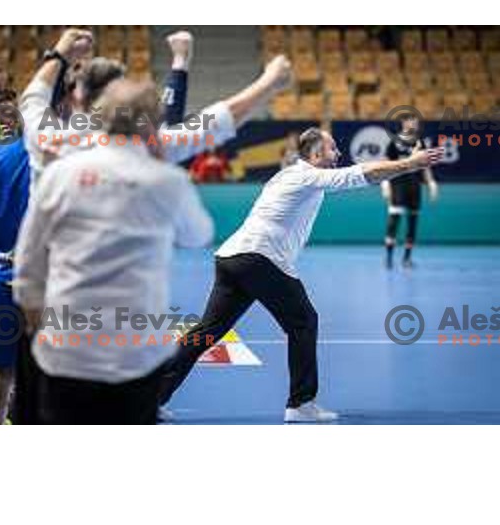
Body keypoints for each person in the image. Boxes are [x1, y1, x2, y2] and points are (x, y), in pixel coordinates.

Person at [159, 127, 445, 423]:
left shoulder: (290, 175)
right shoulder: (306, 175)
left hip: (232, 257)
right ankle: (301, 403)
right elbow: (362, 174)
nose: (338, 154)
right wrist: (411, 163)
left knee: (207, 332)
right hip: (259, 257)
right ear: (317, 153)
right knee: (304, 321)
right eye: (333, 149)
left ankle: (151, 398)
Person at [13, 78, 214, 424]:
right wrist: (162, 162)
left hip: (65, 353)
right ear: (151, 124)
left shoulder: (60, 173)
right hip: (136, 358)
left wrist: (39, 328)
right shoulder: (166, 181)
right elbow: (198, 235)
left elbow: (28, 265)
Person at [18, 29, 292, 183]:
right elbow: (211, 123)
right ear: (122, 97)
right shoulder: (142, 149)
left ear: (76, 96)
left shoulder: (47, 138)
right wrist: (269, 82)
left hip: (57, 281)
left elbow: (32, 100)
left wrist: (59, 55)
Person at [382, 114, 439, 269]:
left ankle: (407, 258)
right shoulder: (394, 142)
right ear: (404, 123)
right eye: (412, 121)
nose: (415, 124)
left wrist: (431, 183)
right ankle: (388, 257)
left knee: (413, 221)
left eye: (417, 121)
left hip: (414, 186)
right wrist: (385, 184)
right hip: (398, 185)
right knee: (394, 220)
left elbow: (425, 166)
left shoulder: (420, 143)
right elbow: (386, 165)